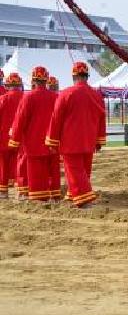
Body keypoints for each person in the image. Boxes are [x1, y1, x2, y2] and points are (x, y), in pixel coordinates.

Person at [45, 62, 106, 208]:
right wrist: (99, 140)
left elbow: (56, 118)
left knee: (75, 171)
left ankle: (84, 199)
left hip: (70, 141)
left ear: (74, 76)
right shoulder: (97, 95)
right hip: (89, 140)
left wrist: (52, 141)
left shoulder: (66, 94)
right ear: (87, 76)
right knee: (84, 170)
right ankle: (73, 195)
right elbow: (101, 118)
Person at [9, 67, 60, 202]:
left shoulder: (29, 97)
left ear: (33, 80)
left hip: (33, 142)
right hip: (53, 141)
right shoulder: (56, 97)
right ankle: (54, 195)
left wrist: (14, 140)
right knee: (53, 170)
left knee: (36, 171)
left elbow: (20, 120)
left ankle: (39, 197)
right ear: (46, 80)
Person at [0, 73, 23, 199]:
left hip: (3, 137)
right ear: (19, 85)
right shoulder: (25, 97)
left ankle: (3, 192)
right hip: (19, 137)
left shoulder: (3, 99)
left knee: (3, 164)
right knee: (18, 164)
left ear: (7, 85)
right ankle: (20, 190)